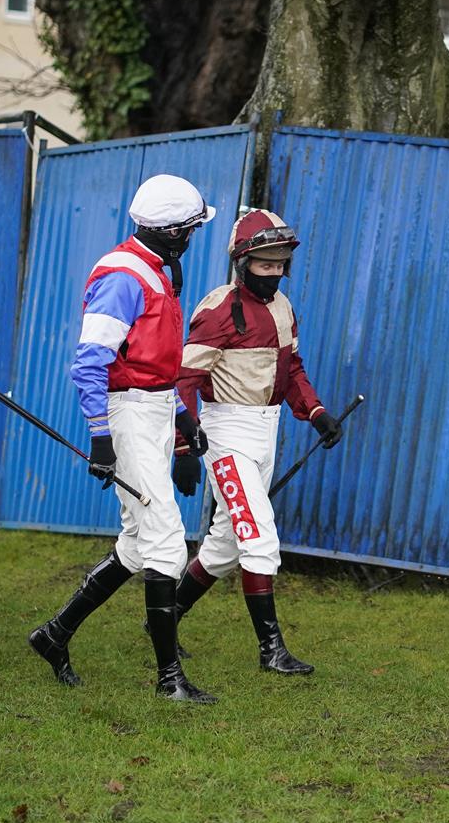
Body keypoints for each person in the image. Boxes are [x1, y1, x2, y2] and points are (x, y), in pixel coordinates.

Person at [28, 173, 218, 704]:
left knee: (137, 545)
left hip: (154, 409)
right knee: (164, 543)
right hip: (128, 415)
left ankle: (54, 634)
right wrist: (101, 438)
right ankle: (168, 679)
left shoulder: (159, 269)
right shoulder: (123, 277)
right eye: (191, 229)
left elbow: (159, 364)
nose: (193, 237)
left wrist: (183, 421)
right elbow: (89, 364)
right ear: (175, 231)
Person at [154, 209, 342, 675]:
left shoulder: (283, 308)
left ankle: (166, 616)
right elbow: (184, 381)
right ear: (242, 263)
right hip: (225, 433)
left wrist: (316, 414)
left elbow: (291, 370)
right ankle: (271, 651)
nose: (273, 273)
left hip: (266, 430)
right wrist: (184, 448)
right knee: (259, 538)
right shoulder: (217, 309)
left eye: (280, 264)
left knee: (224, 544)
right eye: (264, 264)